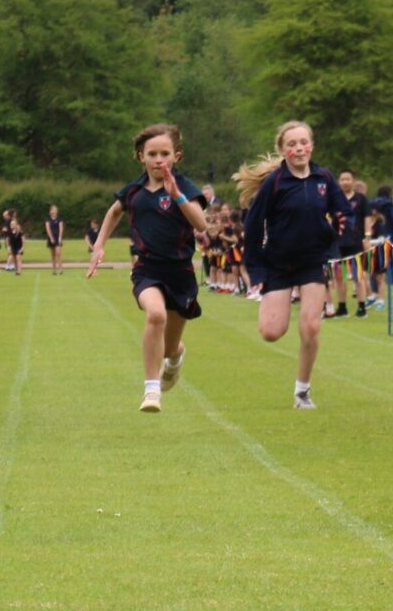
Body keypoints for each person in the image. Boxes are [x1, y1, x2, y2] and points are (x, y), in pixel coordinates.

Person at [87, 123, 207, 413]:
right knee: (155, 315)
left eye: (164, 153)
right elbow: (114, 212)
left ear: (176, 156)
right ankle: (151, 392)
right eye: (152, 153)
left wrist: (177, 195)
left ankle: (175, 358)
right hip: (147, 270)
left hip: (180, 273)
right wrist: (100, 245)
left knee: (169, 348)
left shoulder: (186, 188)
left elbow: (201, 225)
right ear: (141, 156)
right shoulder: (133, 192)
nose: (158, 159)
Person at [235, 120, 352, 410]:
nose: (299, 148)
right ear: (283, 150)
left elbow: (344, 213)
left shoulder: (324, 178)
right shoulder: (275, 183)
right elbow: (252, 226)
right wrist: (257, 270)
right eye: (292, 144)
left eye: (303, 142)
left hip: (312, 262)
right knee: (271, 332)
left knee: (311, 327)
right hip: (278, 264)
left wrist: (336, 228)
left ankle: (302, 392)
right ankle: (275, 307)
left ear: (311, 146)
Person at [332, 169, 370, 319]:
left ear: (353, 181)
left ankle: (362, 307)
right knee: (339, 277)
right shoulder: (334, 200)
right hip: (338, 243)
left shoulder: (361, 199)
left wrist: (367, 237)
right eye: (342, 179)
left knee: (358, 276)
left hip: (355, 242)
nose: (345, 182)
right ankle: (342, 308)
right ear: (338, 182)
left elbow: (367, 218)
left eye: (348, 179)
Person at [45, 204, 64, 274]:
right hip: (51, 238)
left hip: (57, 237)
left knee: (58, 253)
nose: (55, 211)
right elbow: (48, 229)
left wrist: (60, 237)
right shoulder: (48, 219)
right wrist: (51, 238)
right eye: (53, 210)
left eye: (56, 210)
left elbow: (61, 228)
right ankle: (54, 270)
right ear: (51, 211)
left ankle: (60, 269)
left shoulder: (59, 219)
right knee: (53, 255)